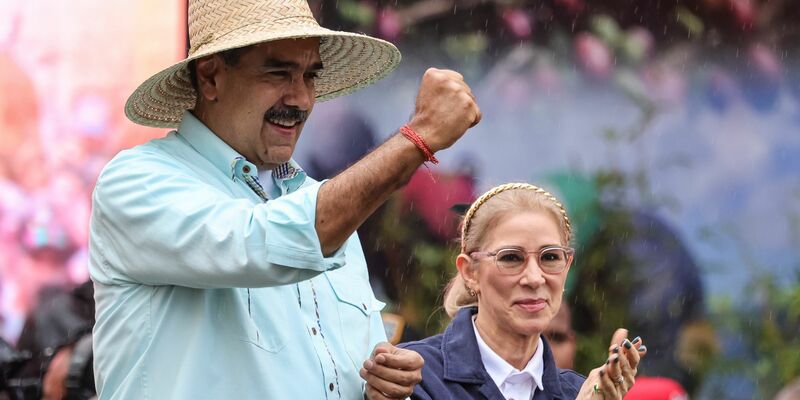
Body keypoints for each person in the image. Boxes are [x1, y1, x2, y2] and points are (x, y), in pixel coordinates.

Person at [89, 0, 481, 399]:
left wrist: (380, 389)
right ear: (210, 77)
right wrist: (417, 138)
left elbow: (346, 373)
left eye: (310, 76)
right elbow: (263, 241)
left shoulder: (325, 212)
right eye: (278, 73)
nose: (301, 99)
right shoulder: (137, 180)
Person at [399, 183, 646, 399]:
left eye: (550, 257)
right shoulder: (412, 376)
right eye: (511, 258)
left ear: (567, 266)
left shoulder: (580, 391)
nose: (534, 278)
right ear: (470, 272)